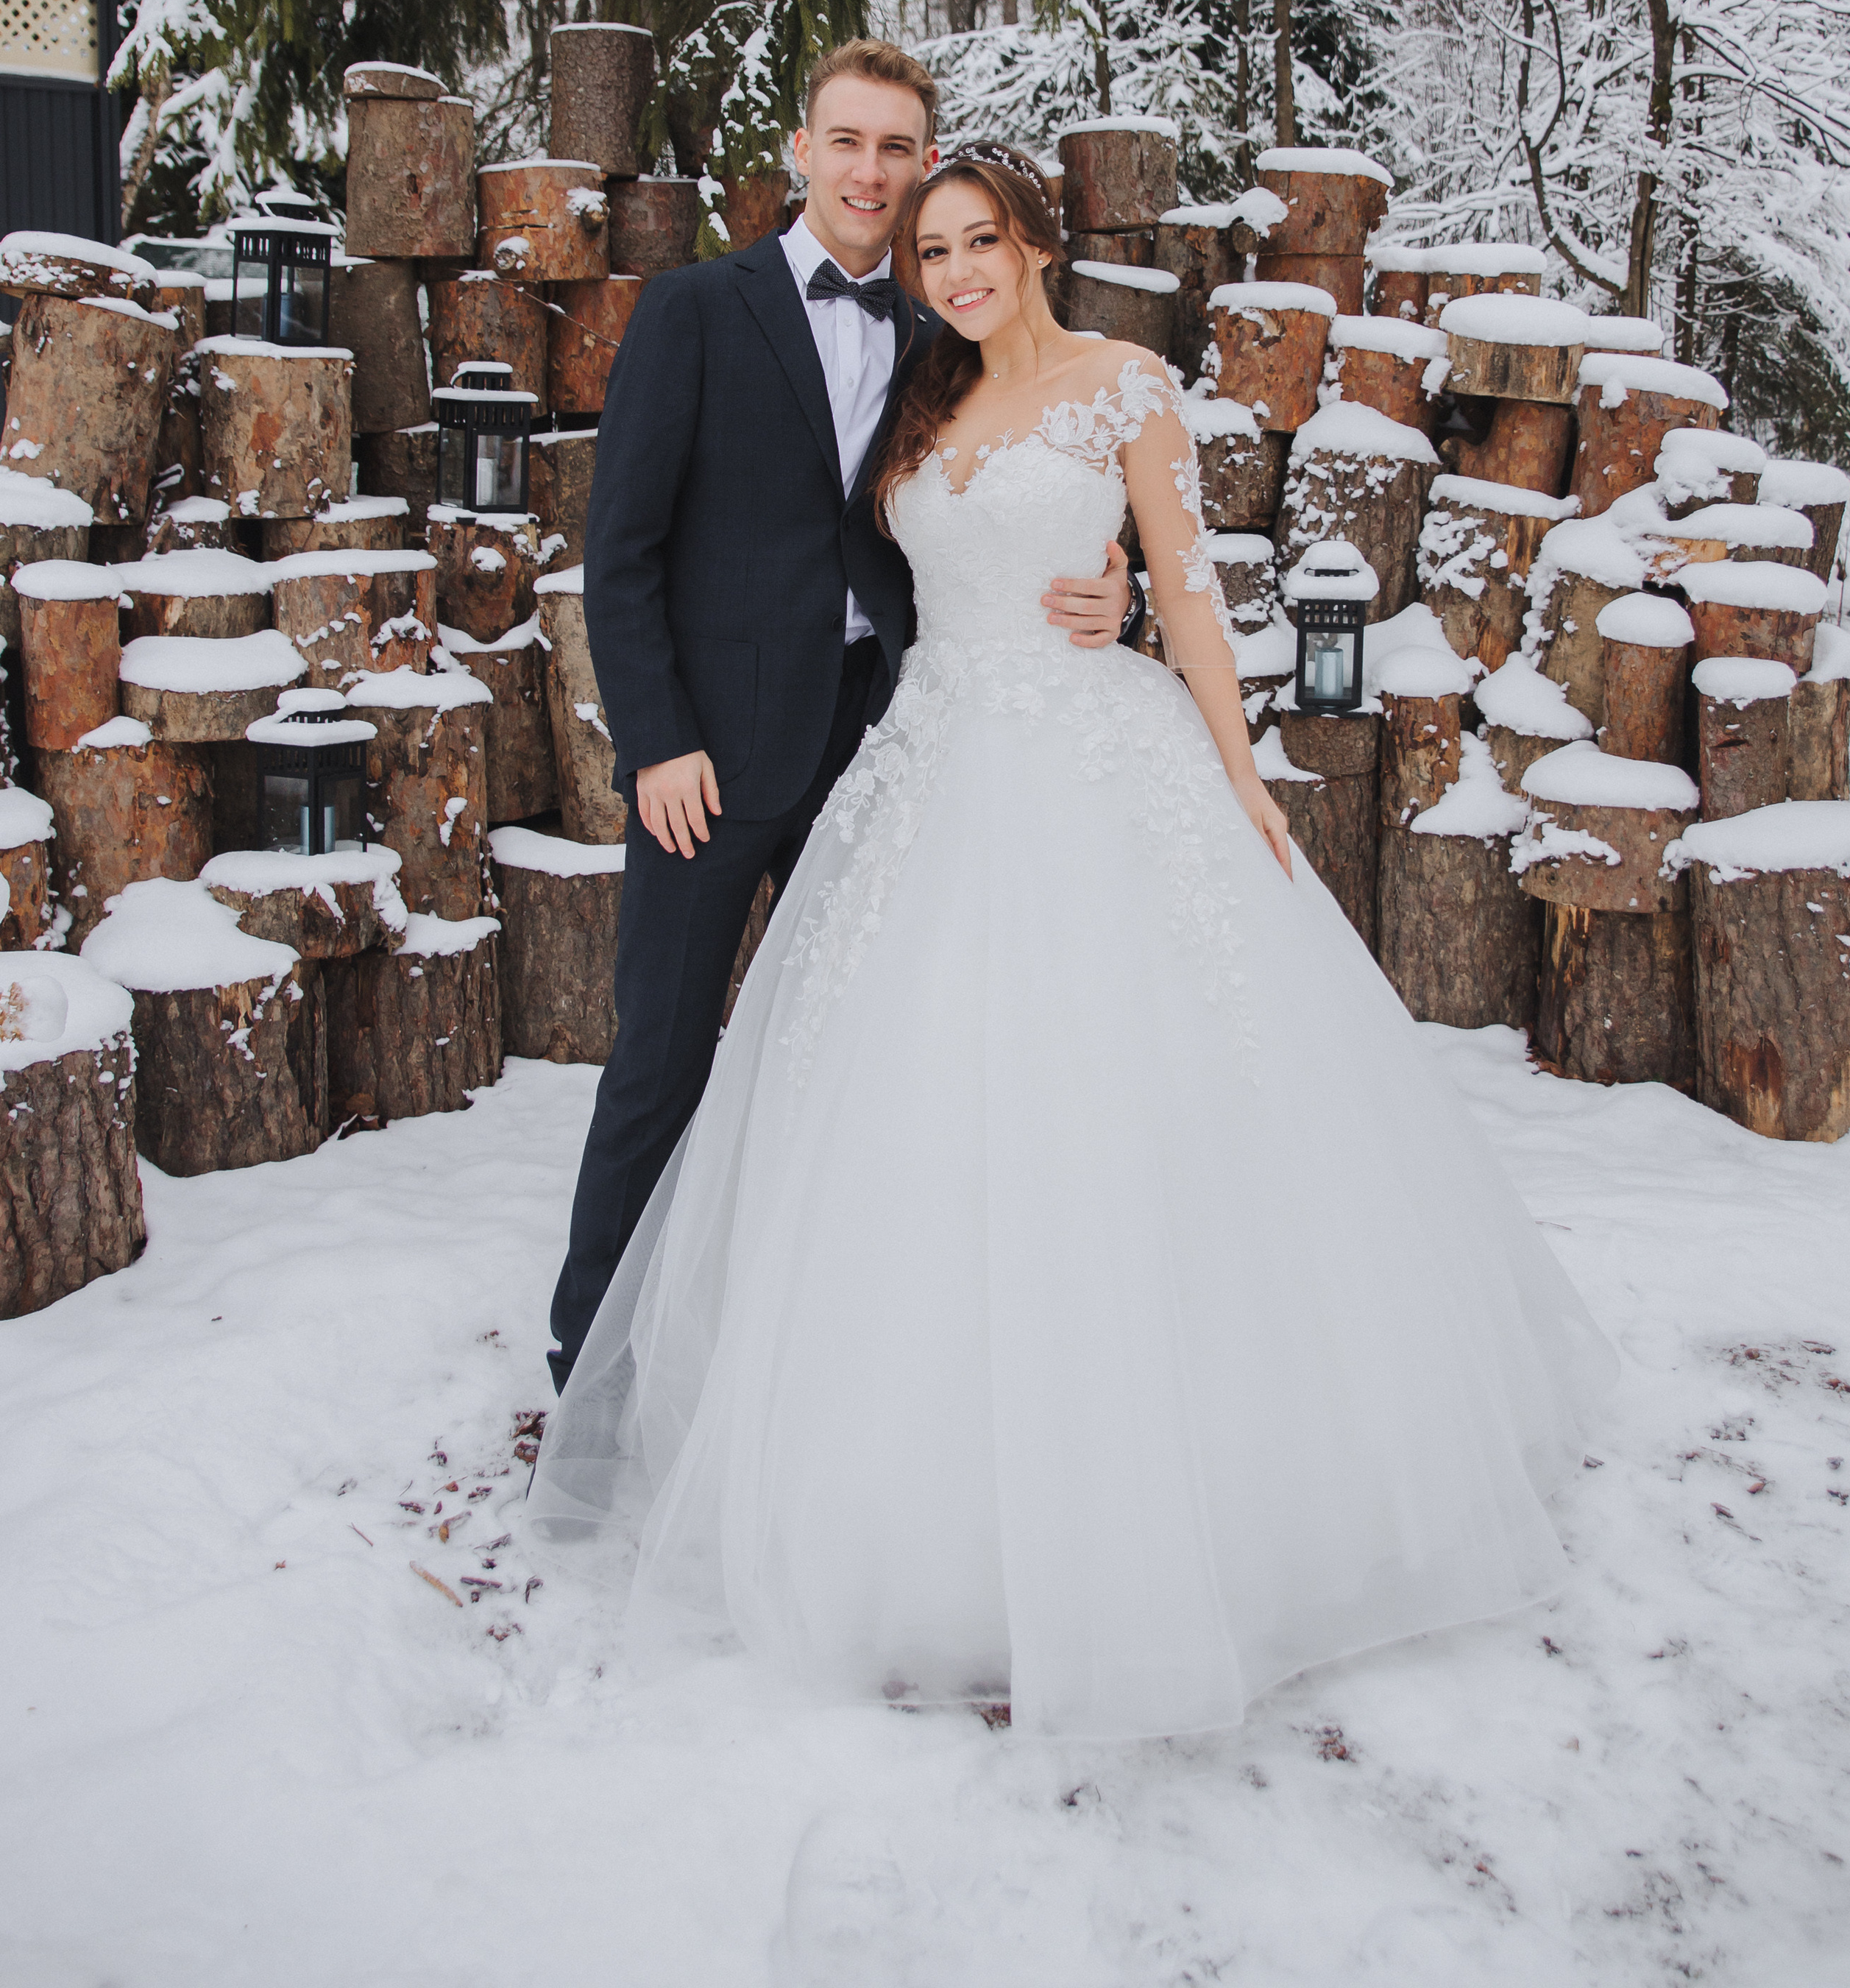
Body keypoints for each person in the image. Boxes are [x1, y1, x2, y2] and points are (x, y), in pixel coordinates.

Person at [534, 144, 1615, 1741]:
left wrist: (1238, 769)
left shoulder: (1122, 383)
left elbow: (1181, 590)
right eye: (933, 253)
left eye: (980, 241)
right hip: (927, 771)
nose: (959, 270)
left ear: (1034, 244)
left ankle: (1204, 1483)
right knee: (902, 1120)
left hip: (1095, 767)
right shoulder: (916, 405)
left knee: (1132, 1091)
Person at [547, 45, 1136, 1393]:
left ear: (924, 165)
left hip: (884, 759)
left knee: (844, 1072)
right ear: (802, 150)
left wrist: (1114, 586)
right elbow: (620, 550)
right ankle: (594, 1367)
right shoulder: (697, 309)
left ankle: (792, 1369)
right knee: (663, 1062)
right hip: (710, 760)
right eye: (848, 142)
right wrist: (655, 740)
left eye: (897, 149)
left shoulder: (951, 331)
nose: (871, 171)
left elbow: (1032, 487)